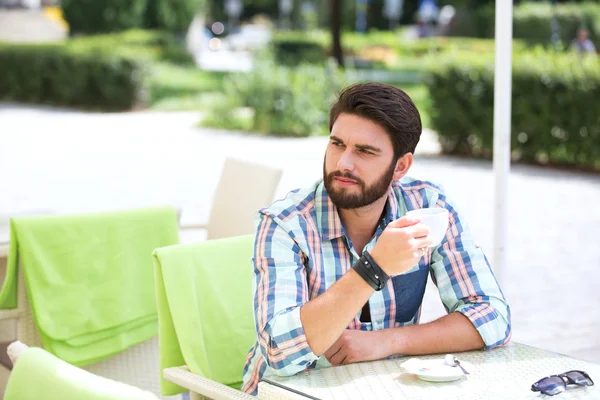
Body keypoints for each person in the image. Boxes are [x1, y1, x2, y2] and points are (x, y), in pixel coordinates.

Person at [241, 82, 511, 395]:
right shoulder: (285, 224)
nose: (343, 163)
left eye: (365, 152)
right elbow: (279, 353)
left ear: (401, 166)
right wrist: (374, 267)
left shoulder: (429, 208)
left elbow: (492, 316)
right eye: (337, 144)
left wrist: (388, 341)